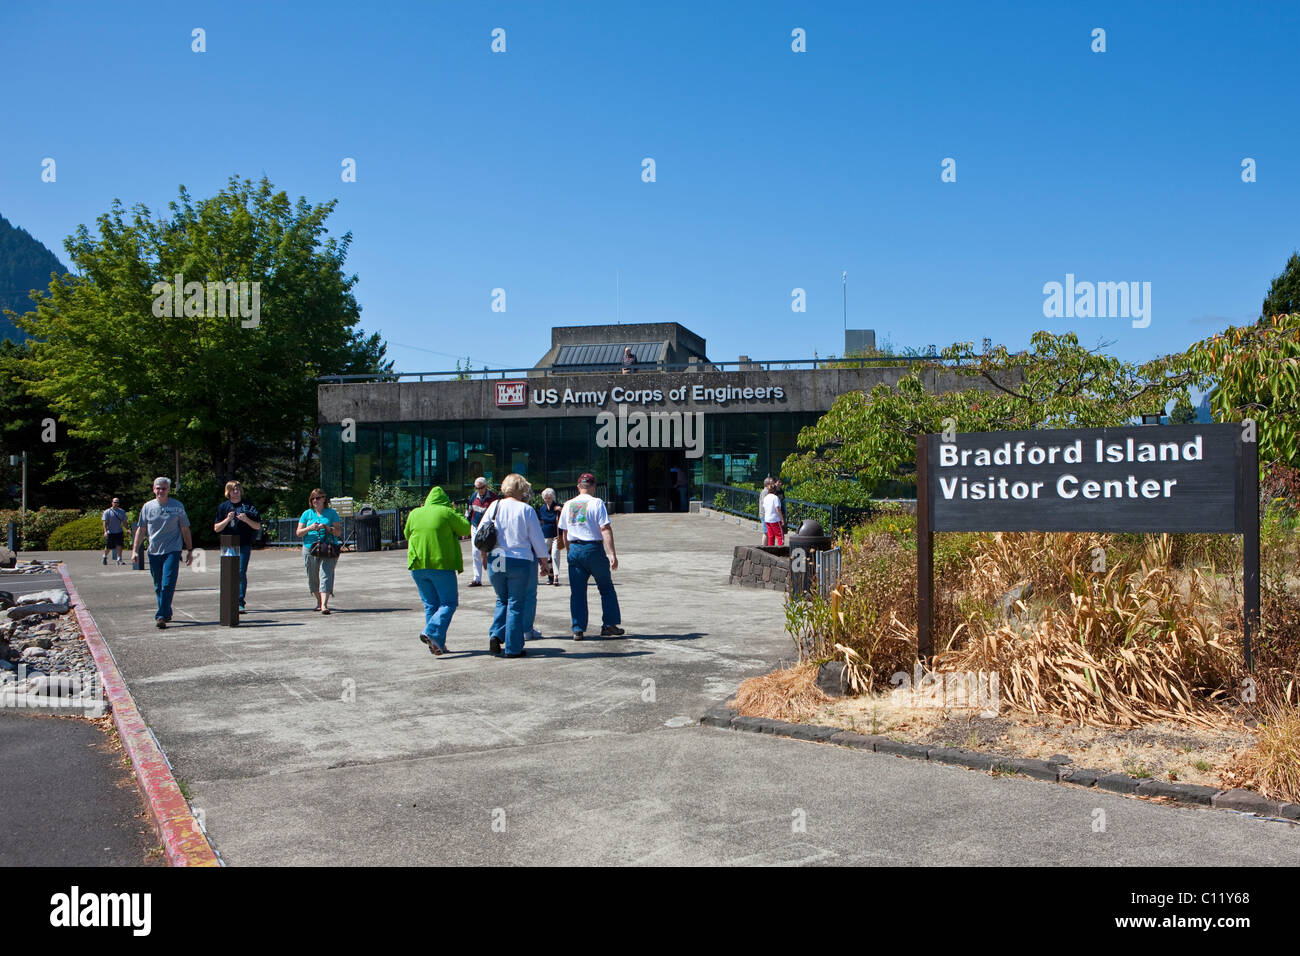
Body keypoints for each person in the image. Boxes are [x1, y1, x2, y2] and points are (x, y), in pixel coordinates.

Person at [479, 473, 551, 658]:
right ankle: (513, 647)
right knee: (516, 604)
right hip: (519, 559)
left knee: (502, 599)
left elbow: (481, 533)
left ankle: (496, 633)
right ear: (522, 489)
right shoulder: (525, 510)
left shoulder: (494, 506)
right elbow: (537, 538)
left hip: (497, 557)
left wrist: (483, 556)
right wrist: (545, 562)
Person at [404, 486, 472, 656]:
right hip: (441, 565)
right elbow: (465, 528)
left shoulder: (415, 513)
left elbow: (406, 534)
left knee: (431, 605)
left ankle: (436, 643)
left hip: (418, 564)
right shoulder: (446, 512)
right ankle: (431, 632)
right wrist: (454, 511)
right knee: (449, 603)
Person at [557, 472, 624, 640]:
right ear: (593, 486)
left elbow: (564, 533)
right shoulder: (597, 503)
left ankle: (578, 629)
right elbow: (605, 528)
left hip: (575, 549)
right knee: (606, 588)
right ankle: (609, 624)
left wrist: (568, 551)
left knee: (577, 591)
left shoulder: (568, 504)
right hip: (593, 548)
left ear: (578, 487)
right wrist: (612, 554)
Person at [131, 478, 193, 628]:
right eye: (158, 488)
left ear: (169, 490)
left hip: (172, 550)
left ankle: (161, 616)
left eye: (164, 488)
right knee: (158, 585)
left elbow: (185, 528)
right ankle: (166, 611)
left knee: (168, 583)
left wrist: (190, 550)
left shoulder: (177, 506)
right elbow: (141, 529)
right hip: (153, 552)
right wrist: (134, 550)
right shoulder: (147, 507)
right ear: (153, 489)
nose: (161, 491)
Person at [214, 481, 261, 612]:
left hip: (244, 543)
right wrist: (227, 520)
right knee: (228, 572)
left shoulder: (248, 506)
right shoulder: (223, 507)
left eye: (238, 490)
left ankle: (240, 601)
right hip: (228, 544)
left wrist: (246, 519)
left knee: (240, 571)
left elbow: (257, 526)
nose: (236, 492)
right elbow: (217, 528)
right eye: (233, 490)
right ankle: (228, 599)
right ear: (228, 492)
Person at [296, 489, 342, 613]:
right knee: (312, 576)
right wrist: (310, 528)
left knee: (326, 574)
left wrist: (328, 528)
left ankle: (324, 605)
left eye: (318, 498)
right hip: (310, 548)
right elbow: (298, 533)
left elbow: (338, 532)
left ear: (323, 499)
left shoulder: (331, 513)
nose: (315, 500)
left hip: (329, 547)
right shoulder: (307, 514)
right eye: (313, 498)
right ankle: (319, 601)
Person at [465, 477, 498, 587]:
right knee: (475, 552)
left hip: (489, 528)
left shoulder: (494, 498)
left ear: (486, 486)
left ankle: (496, 577)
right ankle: (477, 578)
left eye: (481, 488)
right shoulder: (474, 496)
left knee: (494, 551)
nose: (479, 490)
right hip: (475, 526)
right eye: (477, 488)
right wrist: (466, 527)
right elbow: (469, 512)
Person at [537, 487, 562, 586]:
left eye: (549, 497)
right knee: (546, 556)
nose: (547, 500)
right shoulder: (542, 509)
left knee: (555, 554)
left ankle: (556, 576)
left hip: (556, 535)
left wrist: (561, 509)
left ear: (553, 497)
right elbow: (539, 521)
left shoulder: (558, 507)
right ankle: (549, 575)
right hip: (546, 535)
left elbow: (566, 515)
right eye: (546, 498)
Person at [102, 496, 127, 565]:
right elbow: (105, 522)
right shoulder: (107, 512)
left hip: (119, 531)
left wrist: (127, 529)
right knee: (108, 546)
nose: (116, 504)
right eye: (114, 502)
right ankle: (105, 556)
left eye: (117, 502)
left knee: (119, 545)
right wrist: (105, 531)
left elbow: (124, 521)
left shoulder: (122, 511)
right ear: (112, 503)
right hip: (110, 532)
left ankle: (119, 558)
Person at [760, 477, 785, 546]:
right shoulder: (775, 497)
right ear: (775, 491)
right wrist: (782, 519)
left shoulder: (766, 498)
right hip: (775, 519)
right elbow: (777, 509)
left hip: (768, 519)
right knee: (780, 536)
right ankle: (781, 549)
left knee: (771, 536)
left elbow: (764, 507)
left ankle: (771, 549)